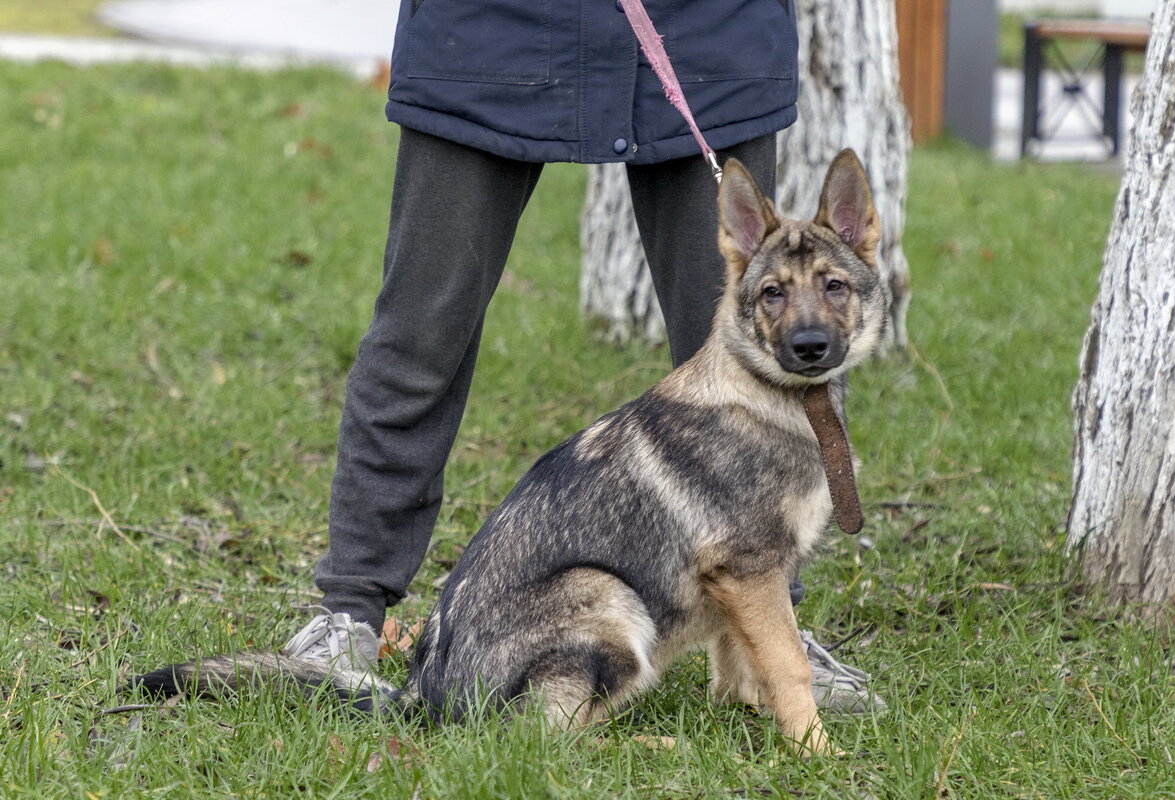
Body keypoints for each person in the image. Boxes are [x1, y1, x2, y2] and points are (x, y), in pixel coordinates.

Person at [281, 0, 884, 714]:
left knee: (754, 333)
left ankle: (769, 632)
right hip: (487, 34)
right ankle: (347, 611)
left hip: (701, 33)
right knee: (422, 333)